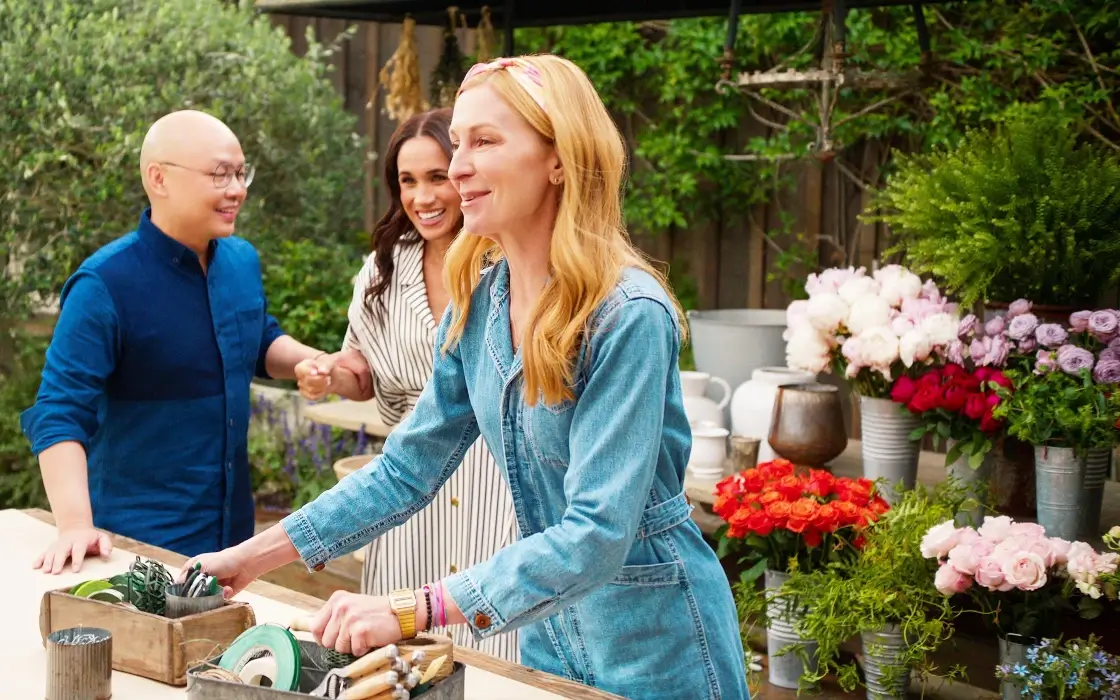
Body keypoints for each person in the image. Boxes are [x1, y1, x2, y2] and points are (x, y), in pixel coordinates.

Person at [184, 55, 750, 700]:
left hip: (655, 645)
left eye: (484, 142)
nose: (457, 168)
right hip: (545, 635)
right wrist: (247, 559)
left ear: (559, 158)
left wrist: (409, 611)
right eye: (459, 144)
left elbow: (595, 533)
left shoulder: (627, 315)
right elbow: (404, 470)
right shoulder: (479, 305)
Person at [20, 110, 355, 571]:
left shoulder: (240, 260)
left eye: (241, 173)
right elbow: (59, 411)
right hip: (136, 547)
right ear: (159, 178)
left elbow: (257, 338)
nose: (237, 189)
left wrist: (309, 360)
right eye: (220, 174)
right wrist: (75, 525)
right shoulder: (104, 283)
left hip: (232, 547)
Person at [292, 107, 520, 663]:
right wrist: (328, 373)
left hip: (499, 490)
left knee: (495, 646)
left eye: (437, 176)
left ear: (466, 173)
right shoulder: (383, 270)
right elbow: (361, 370)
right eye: (408, 181)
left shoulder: (511, 262)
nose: (423, 197)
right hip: (407, 489)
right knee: (397, 656)